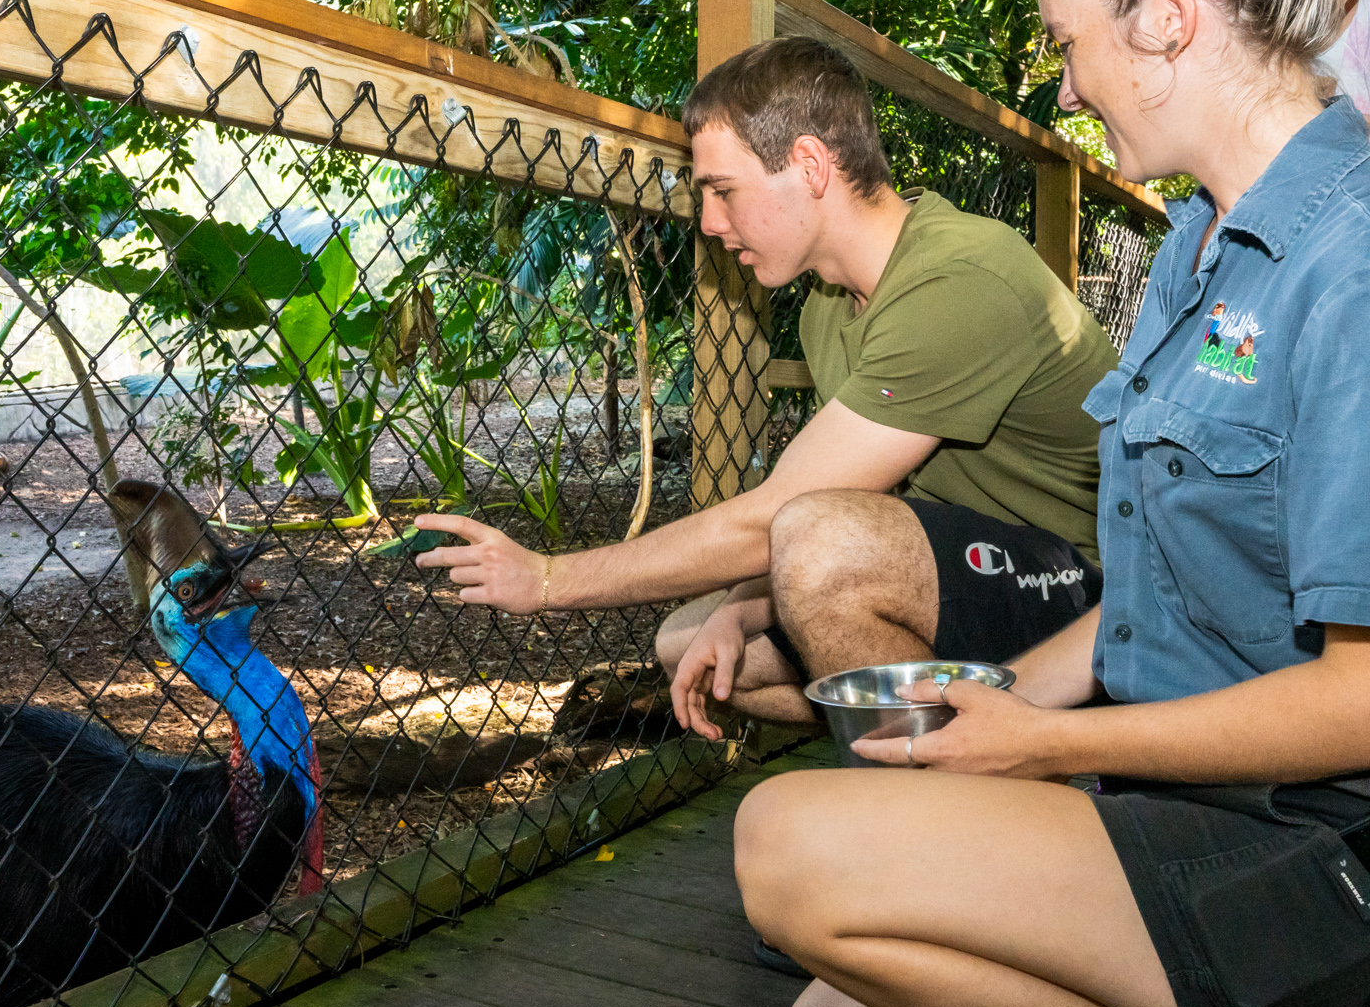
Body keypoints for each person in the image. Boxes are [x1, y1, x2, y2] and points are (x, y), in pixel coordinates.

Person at [736, 0, 1370, 1007]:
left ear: (1166, 18)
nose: (1066, 83)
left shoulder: (1348, 261)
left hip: (1314, 856)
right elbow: (1153, 584)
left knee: (785, 846)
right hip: (1179, 802)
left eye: (1070, 44)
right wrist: (995, 703)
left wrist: (1036, 756)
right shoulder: (1200, 253)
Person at [410, 36, 1116, 738]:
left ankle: (944, 796)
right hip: (962, 573)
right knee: (693, 642)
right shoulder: (824, 311)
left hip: (1086, 596)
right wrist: (741, 611)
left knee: (816, 541)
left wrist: (547, 581)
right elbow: (857, 499)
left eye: (723, 190)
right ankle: (941, 743)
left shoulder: (958, 280)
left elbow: (782, 519)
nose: (711, 222)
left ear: (809, 164)